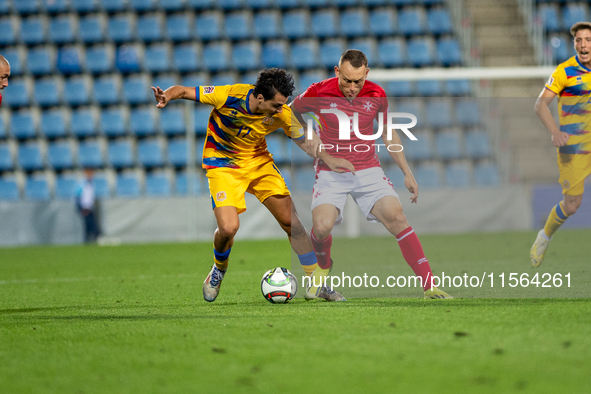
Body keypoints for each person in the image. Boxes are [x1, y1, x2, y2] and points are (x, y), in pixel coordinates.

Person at [151, 68, 349, 302]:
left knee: (292, 222)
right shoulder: (229, 95)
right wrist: (168, 96)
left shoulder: (281, 113)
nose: (280, 109)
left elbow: (307, 141)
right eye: (276, 105)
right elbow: (183, 90)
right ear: (260, 98)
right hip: (222, 164)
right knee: (228, 228)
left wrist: (329, 159)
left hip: (258, 163)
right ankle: (218, 270)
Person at [291, 50, 453, 299]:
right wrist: (308, 136)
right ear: (337, 72)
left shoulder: (377, 94)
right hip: (330, 170)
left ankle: (429, 286)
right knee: (321, 227)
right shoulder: (318, 91)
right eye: (347, 80)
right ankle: (322, 272)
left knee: (397, 217)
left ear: (366, 74)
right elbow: (289, 113)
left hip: (368, 169)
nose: (353, 87)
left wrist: (407, 173)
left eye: (358, 81)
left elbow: (388, 133)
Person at [530, 21, 591, 267]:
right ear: (574, 43)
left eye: (587, 39)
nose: (583, 44)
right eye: (579, 40)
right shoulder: (564, 71)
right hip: (573, 147)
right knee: (572, 205)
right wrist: (555, 131)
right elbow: (540, 105)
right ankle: (544, 237)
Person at [75, 168, 101, 243]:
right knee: (87, 225)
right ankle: (87, 240)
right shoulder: (82, 184)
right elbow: (77, 197)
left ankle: (92, 239)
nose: (91, 175)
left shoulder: (91, 184)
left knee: (92, 225)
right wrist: (80, 207)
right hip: (84, 208)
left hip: (90, 207)